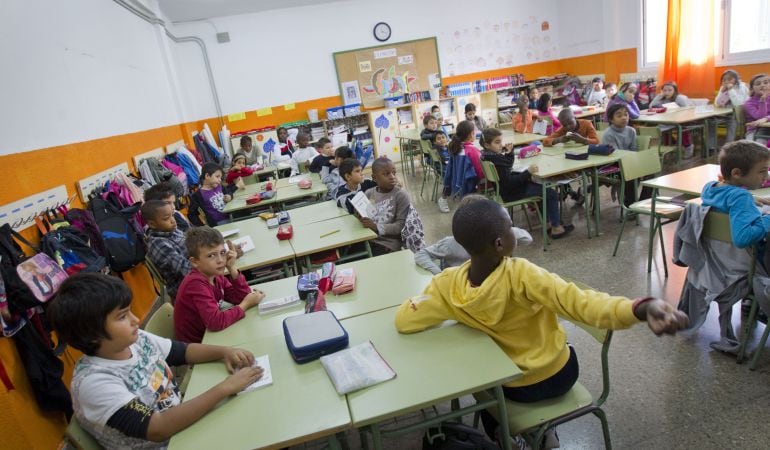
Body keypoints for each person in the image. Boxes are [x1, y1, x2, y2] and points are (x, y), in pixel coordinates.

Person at [395, 199, 689, 446]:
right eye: (510, 226)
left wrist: (423, 304)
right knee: (563, 345)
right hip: (556, 376)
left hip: (505, 386)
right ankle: (541, 432)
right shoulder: (522, 274)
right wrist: (640, 307)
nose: (514, 231)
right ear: (500, 244)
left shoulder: (447, 285)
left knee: (484, 388)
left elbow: (405, 320)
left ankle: (507, 436)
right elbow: (583, 303)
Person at [47, 273, 264, 449]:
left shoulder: (135, 340)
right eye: (122, 316)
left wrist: (223, 351)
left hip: (181, 423)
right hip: (167, 442)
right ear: (91, 333)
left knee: (253, 411)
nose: (135, 320)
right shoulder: (94, 383)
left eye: (129, 311)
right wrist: (225, 388)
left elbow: (181, 352)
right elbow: (157, 428)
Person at [174, 227, 265, 343]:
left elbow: (241, 296)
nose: (220, 260)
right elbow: (215, 322)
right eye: (211, 256)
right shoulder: (195, 284)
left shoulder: (215, 275)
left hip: (212, 336)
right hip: (198, 345)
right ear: (195, 262)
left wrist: (231, 267)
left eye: (222, 253)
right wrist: (245, 304)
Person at [480, 128, 572, 239]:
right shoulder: (497, 160)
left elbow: (507, 165)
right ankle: (556, 228)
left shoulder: (488, 156)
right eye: (497, 142)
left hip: (504, 191)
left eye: (501, 141)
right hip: (511, 193)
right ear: (487, 144)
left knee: (542, 191)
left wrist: (510, 153)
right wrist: (527, 173)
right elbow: (509, 182)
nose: (501, 145)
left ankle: (549, 224)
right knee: (550, 194)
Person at [414, 194, 532, 274]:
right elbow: (421, 254)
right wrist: (439, 274)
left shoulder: (496, 238)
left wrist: (505, 229)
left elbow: (527, 238)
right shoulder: (451, 243)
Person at [701, 140, 770, 248]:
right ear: (736, 173)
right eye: (762, 171)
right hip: (743, 260)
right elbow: (742, 239)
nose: (766, 177)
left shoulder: (709, 188)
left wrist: (750, 198)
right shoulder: (741, 197)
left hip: (714, 256)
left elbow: (725, 200)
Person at [358, 158, 412, 255]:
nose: (392, 177)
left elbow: (401, 226)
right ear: (374, 178)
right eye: (386, 174)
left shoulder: (400, 195)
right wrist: (360, 216)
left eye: (394, 173)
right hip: (369, 239)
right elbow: (366, 218)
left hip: (388, 244)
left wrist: (376, 227)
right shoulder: (369, 193)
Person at [142, 200, 190, 301]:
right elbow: (186, 270)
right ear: (152, 224)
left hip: (195, 274)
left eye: (172, 215)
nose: (173, 220)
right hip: (185, 288)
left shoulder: (172, 230)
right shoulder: (159, 244)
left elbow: (193, 245)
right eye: (166, 218)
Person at [438, 121, 483, 213]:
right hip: (469, 184)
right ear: (471, 134)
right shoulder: (472, 151)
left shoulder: (456, 146)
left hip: (458, 183)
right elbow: (480, 172)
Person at [650, 81, 693, 156]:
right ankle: (671, 146)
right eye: (664, 90)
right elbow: (651, 106)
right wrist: (660, 95)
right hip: (667, 121)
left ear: (675, 90)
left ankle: (688, 147)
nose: (667, 92)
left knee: (682, 129)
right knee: (661, 129)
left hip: (681, 121)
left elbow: (687, 109)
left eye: (670, 90)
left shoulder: (679, 98)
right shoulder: (661, 98)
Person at [712, 69, 750, 145]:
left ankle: (729, 145)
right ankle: (711, 147)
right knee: (710, 122)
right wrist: (722, 92)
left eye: (729, 79)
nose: (726, 82)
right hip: (723, 113)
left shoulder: (741, 87)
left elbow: (738, 103)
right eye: (724, 80)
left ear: (736, 79)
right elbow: (716, 103)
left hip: (737, 113)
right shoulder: (723, 87)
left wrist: (731, 90)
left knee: (732, 120)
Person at [744, 73, 770, 146]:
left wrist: (766, 119)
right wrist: (762, 100)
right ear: (752, 89)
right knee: (753, 147)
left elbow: (763, 118)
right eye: (758, 84)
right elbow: (760, 117)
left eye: (766, 82)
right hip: (754, 129)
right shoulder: (748, 103)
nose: (762, 85)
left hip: (768, 127)